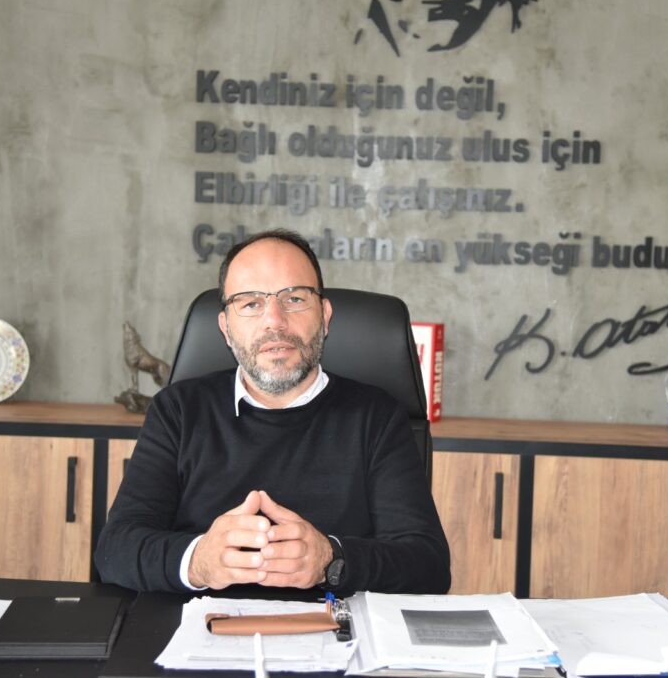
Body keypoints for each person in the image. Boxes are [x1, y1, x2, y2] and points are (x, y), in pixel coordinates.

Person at [95, 229, 450, 594]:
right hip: (199, 624)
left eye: (294, 298)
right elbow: (115, 550)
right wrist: (199, 561)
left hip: (332, 625)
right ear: (226, 329)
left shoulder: (377, 417)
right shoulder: (178, 411)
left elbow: (428, 565)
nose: (275, 321)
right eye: (250, 304)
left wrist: (331, 560)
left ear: (325, 316)